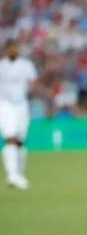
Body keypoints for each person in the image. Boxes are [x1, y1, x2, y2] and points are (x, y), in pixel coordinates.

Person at [0, 39, 38, 190]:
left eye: (15, 47)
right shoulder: (2, 66)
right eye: (10, 48)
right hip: (5, 104)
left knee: (20, 140)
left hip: (22, 104)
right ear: (6, 50)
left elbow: (33, 82)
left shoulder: (26, 65)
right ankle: (12, 175)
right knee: (10, 137)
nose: (13, 50)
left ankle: (19, 174)